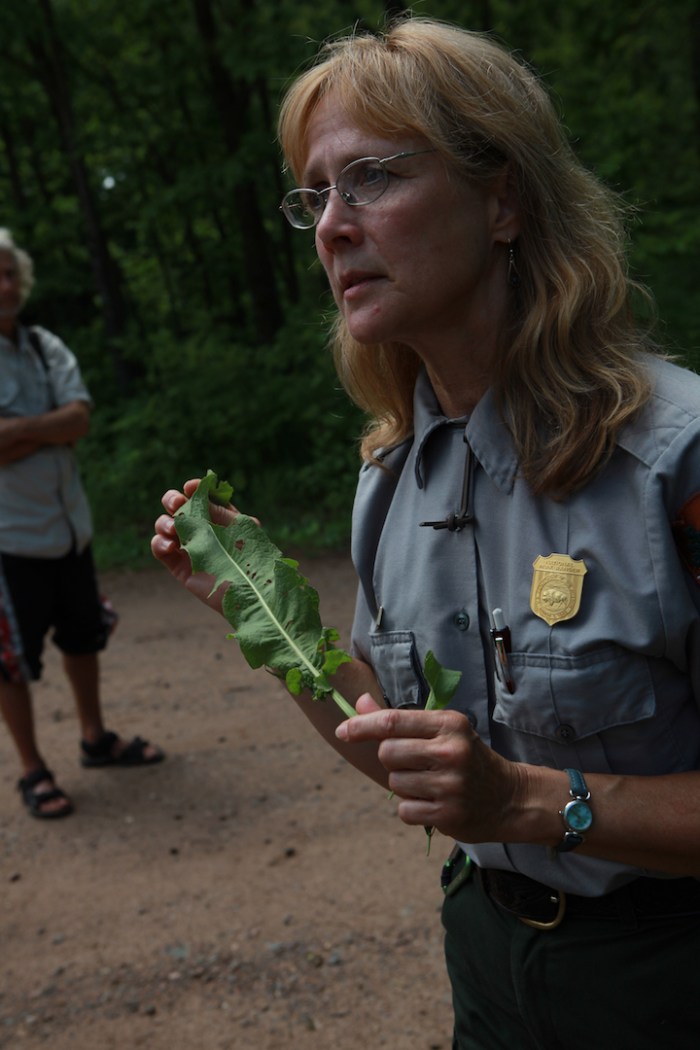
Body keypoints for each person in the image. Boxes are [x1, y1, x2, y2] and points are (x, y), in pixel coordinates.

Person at [151, 16, 700, 1049]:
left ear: (503, 199)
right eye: (313, 195)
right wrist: (264, 617)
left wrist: (534, 800)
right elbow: (415, 764)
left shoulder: (676, 460)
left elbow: (503, 798)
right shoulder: (391, 476)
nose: (331, 226)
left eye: (370, 178)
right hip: (489, 957)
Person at [0, 228, 164, 820]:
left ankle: (95, 739)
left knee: (83, 635)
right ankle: (32, 769)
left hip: (70, 527)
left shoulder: (45, 345)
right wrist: (48, 427)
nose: (5, 285)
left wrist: (16, 432)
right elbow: (60, 424)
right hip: (8, 538)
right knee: (11, 660)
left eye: (10, 272)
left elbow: (79, 420)